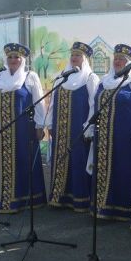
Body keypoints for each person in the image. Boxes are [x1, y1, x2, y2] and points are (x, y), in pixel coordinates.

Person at [0, 43, 47, 213]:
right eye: (10, 57)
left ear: (22, 59)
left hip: (23, 130)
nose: (13, 60)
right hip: (0, 128)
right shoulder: (0, 77)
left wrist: (40, 125)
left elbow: (39, 102)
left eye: (16, 57)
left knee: (22, 161)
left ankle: (21, 200)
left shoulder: (30, 77)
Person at [87, 44, 131, 221]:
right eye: (116, 58)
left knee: (125, 171)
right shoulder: (105, 81)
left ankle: (124, 210)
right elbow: (94, 105)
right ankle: (103, 208)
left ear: (129, 62)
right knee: (104, 170)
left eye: (122, 59)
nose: (118, 61)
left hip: (126, 138)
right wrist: (90, 127)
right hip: (103, 137)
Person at [47, 42, 100, 212]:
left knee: (78, 162)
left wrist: (89, 127)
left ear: (85, 59)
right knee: (60, 160)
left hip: (79, 129)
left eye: (78, 55)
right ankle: (59, 197)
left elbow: (94, 104)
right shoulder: (62, 76)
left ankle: (80, 200)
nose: (74, 58)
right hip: (60, 129)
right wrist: (49, 123)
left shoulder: (90, 78)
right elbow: (52, 103)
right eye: (72, 55)